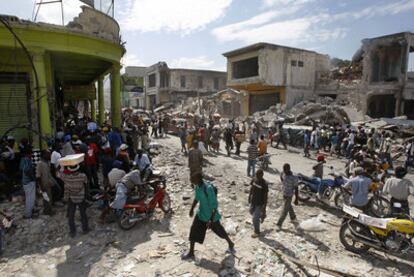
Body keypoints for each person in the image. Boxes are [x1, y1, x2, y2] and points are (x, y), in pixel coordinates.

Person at [182, 173, 235, 260]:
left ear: (199, 178)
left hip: (211, 216)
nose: (191, 179)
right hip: (201, 214)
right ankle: (191, 252)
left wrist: (211, 220)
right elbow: (197, 198)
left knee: (220, 232)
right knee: (193, 231)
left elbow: (214, 206)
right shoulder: (197, 186)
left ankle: (230, 243)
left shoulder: (208, 189)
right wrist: (192, 209)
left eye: (193, 178)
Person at [60, 155, 89, 237]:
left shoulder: (66, 177)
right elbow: (86, 184)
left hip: (71, 198)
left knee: (71, 215)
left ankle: (72, 232)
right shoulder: (83, 176)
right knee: (83, 214)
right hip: (81, 197)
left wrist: (63, 165)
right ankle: (85, 229)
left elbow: (58, 173)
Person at [277, 163, 298, 229]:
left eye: (285, 169)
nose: (284, 171)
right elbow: (281, 177)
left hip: (289, 195)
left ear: (289, 169)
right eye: (283, 169)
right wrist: (283, 182)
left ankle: (279, 224)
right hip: (284, 194)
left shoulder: (294, 177)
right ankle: (293, 217)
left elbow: (296, 188)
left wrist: (296, 199)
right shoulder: (283, 173)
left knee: (284, 211)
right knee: (288, 206)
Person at [248, 169, 268, 238]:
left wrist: (264, 208)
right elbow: (251, 188)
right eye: (256, 175)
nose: (256, 176)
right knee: (250, 211)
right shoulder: (254, 179)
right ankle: (261, 215)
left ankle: (257, 232)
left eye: (258, 175)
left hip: (260, 203)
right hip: (253, 201)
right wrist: (249, 196)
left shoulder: (264, 184)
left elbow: (265, 197)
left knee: (254, 218)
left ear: (262, 175)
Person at [19, 145, 38, 219]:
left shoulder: (23, 159)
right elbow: (27, 170)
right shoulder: (27, 160)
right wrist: (33, 178)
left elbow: (21, 170)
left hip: (25, 181)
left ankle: (30, 211)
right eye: (31, 153)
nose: (32, 155)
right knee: (30, 198)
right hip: (29, 182)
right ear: (28, 153)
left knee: (29, 197)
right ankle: (28, 214)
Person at [36, 150, 55, 215]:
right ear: (44, 155)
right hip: (44, 184)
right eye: (48, 154)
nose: (50, 156)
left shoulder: (47, 162)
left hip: (48, 183)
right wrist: (41, 186)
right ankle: (48, 211)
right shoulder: (40, 163)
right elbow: (38, 176)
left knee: (48, 198)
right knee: (47, 198)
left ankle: (47, 210)